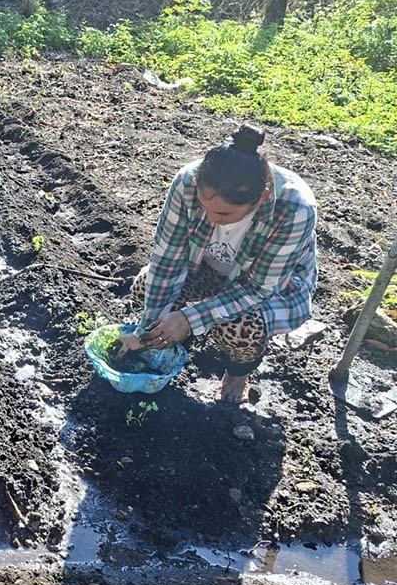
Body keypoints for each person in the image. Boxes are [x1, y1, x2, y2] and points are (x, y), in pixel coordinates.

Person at [120, 124, 318, 403]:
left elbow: (259, 288)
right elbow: (167, 261)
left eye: (224, 213)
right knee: (145, 286)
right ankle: (170, 342)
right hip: (204, 269)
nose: (211, 220)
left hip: (267, 287)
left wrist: (190, 319)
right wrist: (147, 330)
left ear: (259, 199)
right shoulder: (188, 181)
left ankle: (238, 372)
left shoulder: (294, 208)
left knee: (242, 327)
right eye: (204, 207)